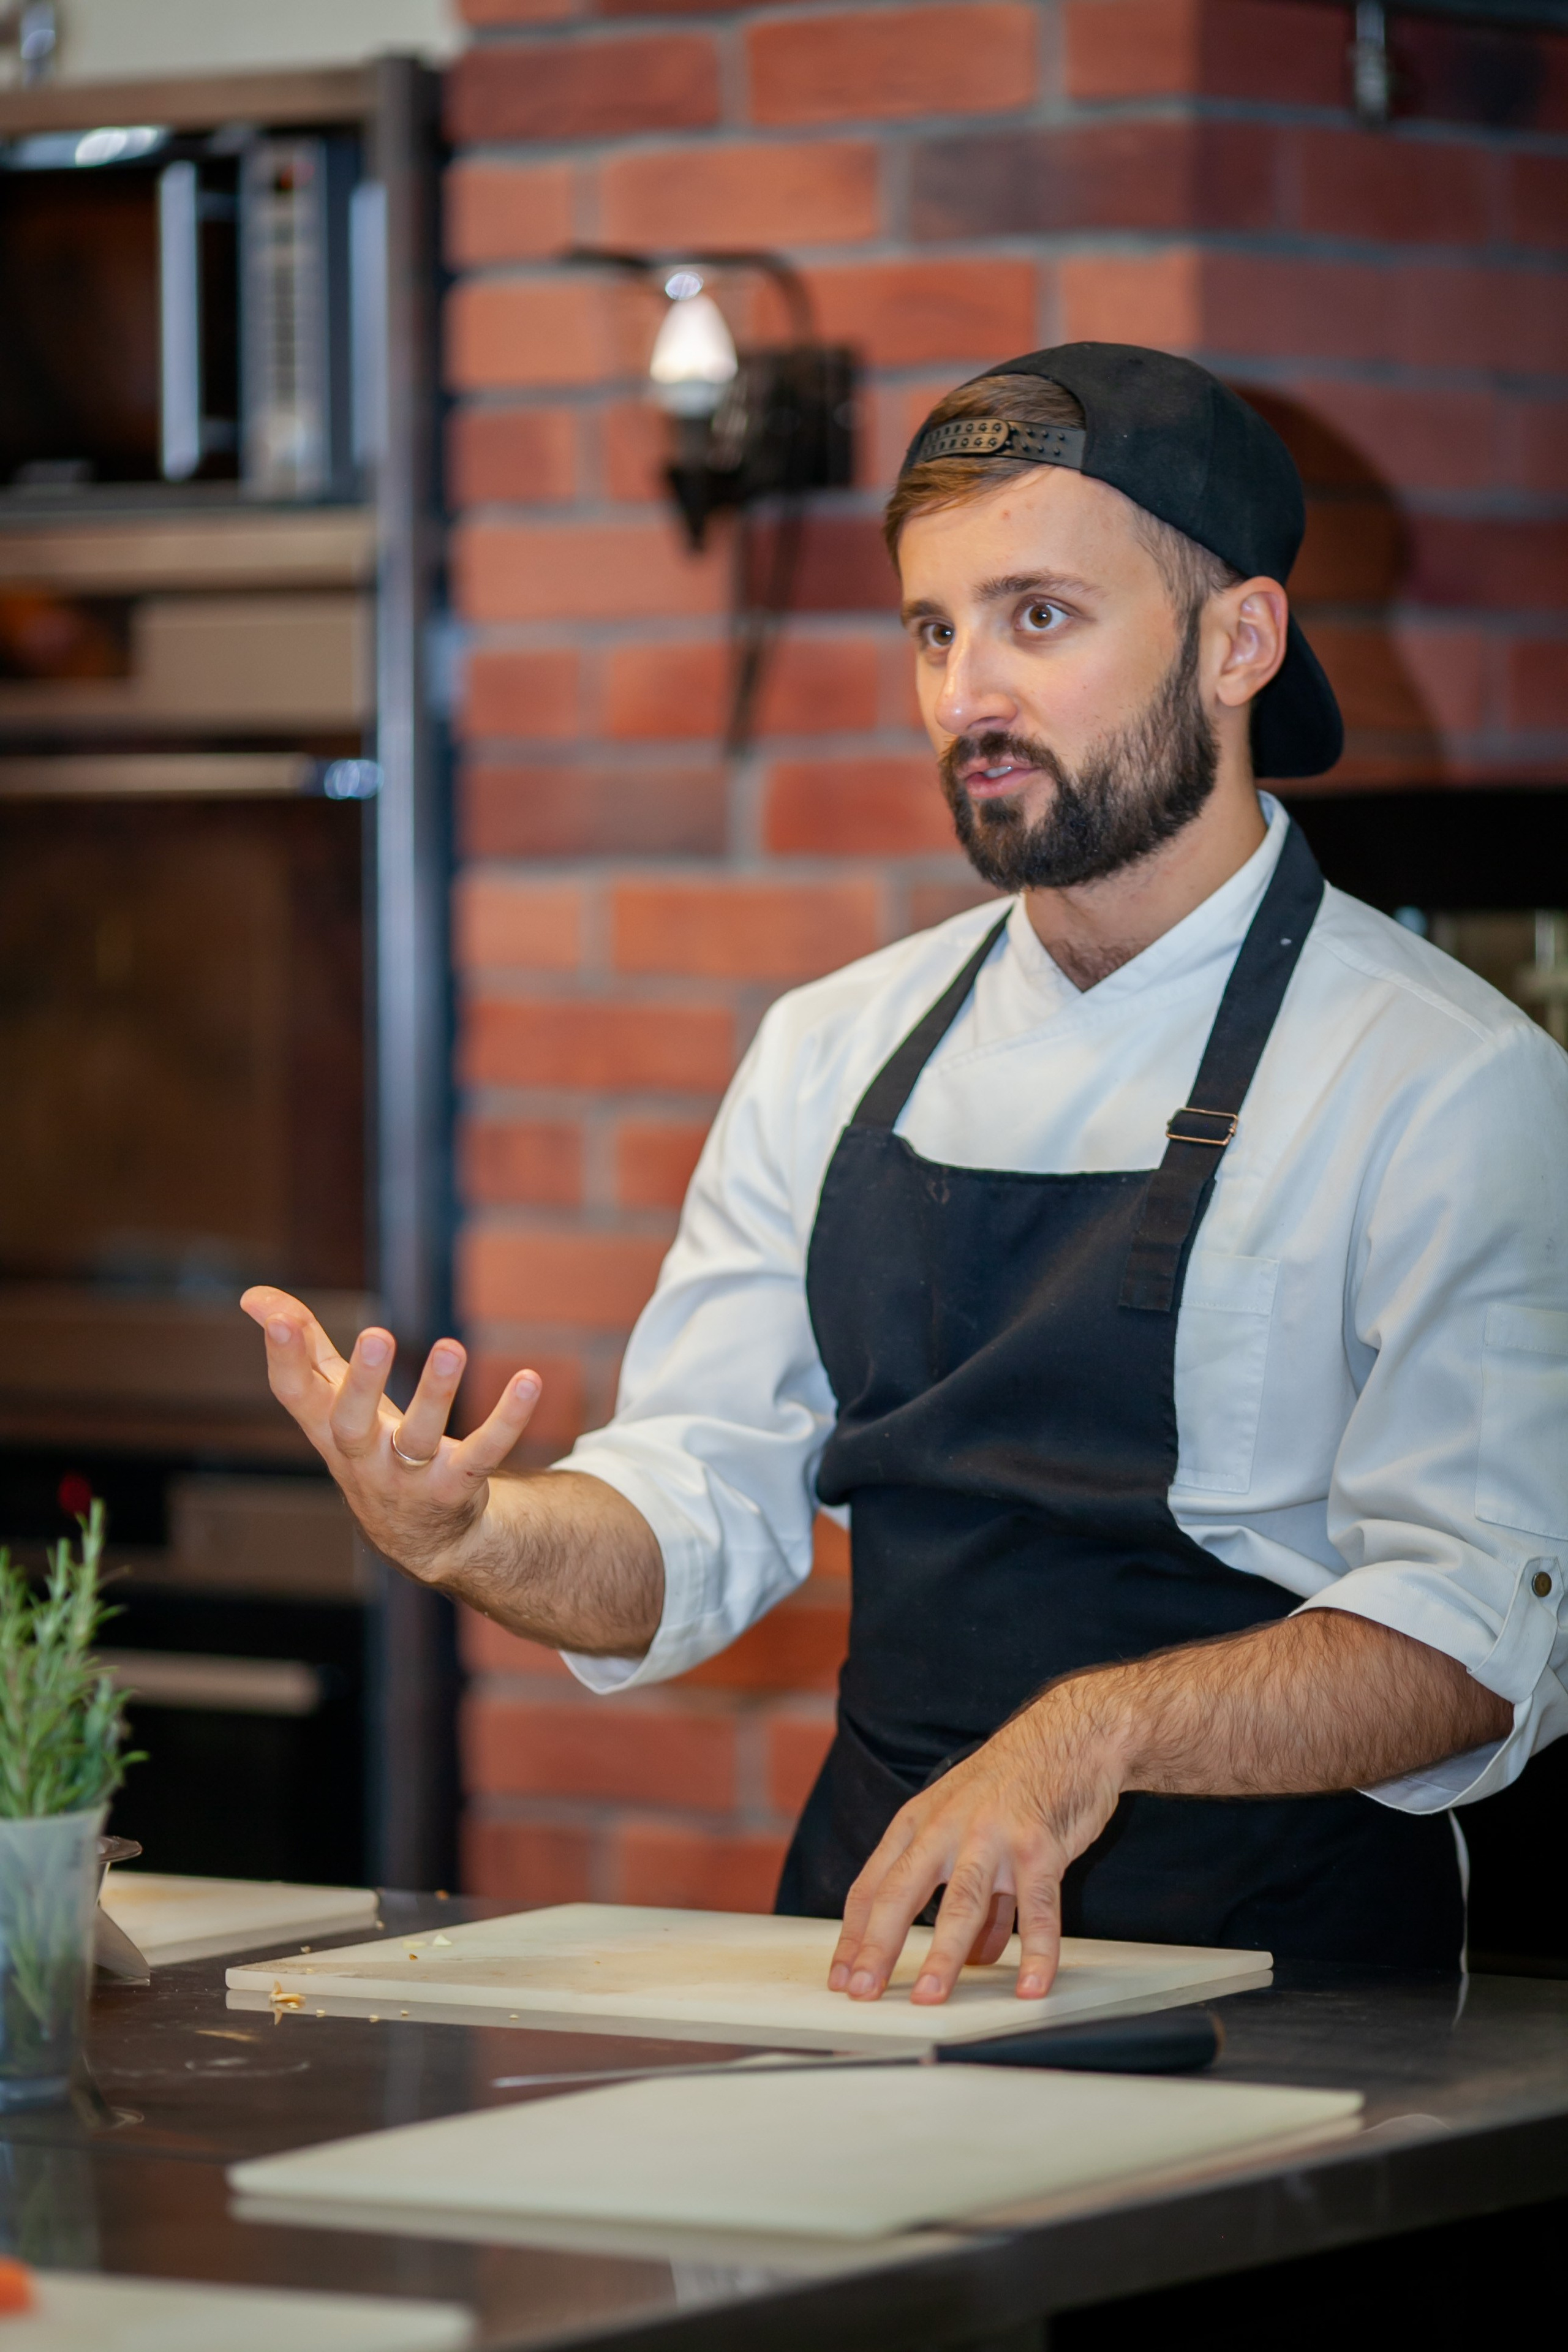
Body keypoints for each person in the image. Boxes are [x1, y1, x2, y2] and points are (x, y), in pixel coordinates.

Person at [245, 344, 1568, 2006]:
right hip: (883, 1956)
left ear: (1239, 642)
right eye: (933, 631)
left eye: (1038, 616)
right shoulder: (832, 1046)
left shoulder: (1444, 1081)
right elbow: (695, 1506)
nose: (966, 695)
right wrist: (473, 1534)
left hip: (1286, 2003)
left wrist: (1095, 1731)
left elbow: (1472, 1644)